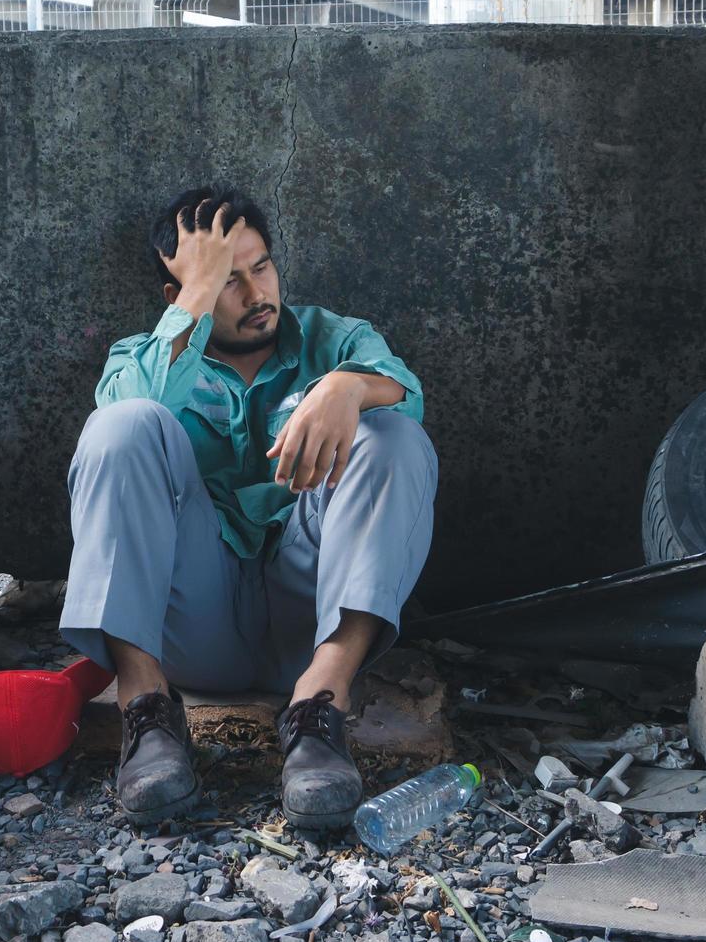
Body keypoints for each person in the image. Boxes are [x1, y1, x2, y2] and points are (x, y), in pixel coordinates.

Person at [58, 186, 438, 829]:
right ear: (178, 293)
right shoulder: (140, 357)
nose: (255, 293)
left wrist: (349, 386)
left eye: (260, 267)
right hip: (192, 627)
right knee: (120, 427)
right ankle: (146, 711)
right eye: (226, 279)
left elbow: (408, 398)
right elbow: (127, 412)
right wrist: (196, 299)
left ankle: (321, 711)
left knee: (393, 433)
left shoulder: (333, 338)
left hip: (309, 618)